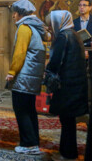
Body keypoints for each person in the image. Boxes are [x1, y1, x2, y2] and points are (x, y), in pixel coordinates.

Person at [5, 0, 49, 155]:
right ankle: (33, 142)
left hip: (24, 77)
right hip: (32, 77)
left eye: (14, 14)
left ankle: (28, 144)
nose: (12, 17)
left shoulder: (24, 28)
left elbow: (20, 53)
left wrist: (11, 72)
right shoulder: (35, 27)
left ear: (18, 13)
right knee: (30, 110)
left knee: (22, 111)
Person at [45, 10, 89, 161]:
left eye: (51, 24)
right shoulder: (74, 33)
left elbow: (56, 61)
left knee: (67, 121)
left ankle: (68, 154)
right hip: (75, 84)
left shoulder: (64, 36)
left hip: (67, 86)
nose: (50, 27)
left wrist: (48, 71)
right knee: (68, 121)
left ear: (58, 22)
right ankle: (67, 152)